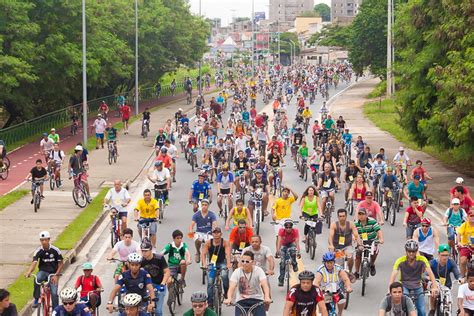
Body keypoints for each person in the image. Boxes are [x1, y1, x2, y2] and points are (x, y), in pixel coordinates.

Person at [389, 240, 439, 315]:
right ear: (406, 251)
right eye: (409, 251)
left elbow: (430, 273)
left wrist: (434, 286)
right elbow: (393, 275)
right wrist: (389, 289)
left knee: (422, 310)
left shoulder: (422, 260)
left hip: (417, 285)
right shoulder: (400, 261)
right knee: (403, 308)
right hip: (404, 285)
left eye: (413, 251)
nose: (411, 253)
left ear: (416, 251)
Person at [224, 251, 272, 315]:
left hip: (257, 300)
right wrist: (229, 298)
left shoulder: (259, 271)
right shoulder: (237, 272)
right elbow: (232, 287)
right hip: (241, 301)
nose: (244, 263)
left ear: (253, 262)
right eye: (242, 261)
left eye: (247, 262)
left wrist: (267, 297)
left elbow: (264, 285)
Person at [25, 231, 63, 308]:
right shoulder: (38, 251)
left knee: (54, 293)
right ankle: (36, 298)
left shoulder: (55, 250)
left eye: (45, 240)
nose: (44, 242)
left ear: (49, 240)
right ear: (40, 241)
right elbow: (34, 262)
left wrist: (56, 275)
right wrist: (29, 272)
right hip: (43, 271)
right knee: (37, 279)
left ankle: (55, 311)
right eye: (42, 240)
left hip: (53, 273)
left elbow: (61, 263)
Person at [201, 227, 231, 309]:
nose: (216, 234)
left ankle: (226, 293)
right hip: (212, 264)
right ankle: (210, 303)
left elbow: (228, 254)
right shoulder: (208, 243)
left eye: (218, 233)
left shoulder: (225, 242)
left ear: (221, 234)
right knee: (210, 283)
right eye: (214, 232)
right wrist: (204, 264)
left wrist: (228, 263)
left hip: (222, 263)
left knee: (224, 275)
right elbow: (203, 254)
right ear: (212, 234)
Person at [314, 252, 353, 316]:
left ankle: (340, 313)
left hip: (336, 289)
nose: (330, 265)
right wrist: (317, 292)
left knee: (342, 299)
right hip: (325, 291)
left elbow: (346, 279)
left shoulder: (338, 268)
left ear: (334, 262)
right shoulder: (321, 270)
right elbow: (316, 282)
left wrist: (348, 287)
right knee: (324, 309)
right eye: (328, 263)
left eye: (331, 262)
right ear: (324, 263)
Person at [428, 244, 462, 315]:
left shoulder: (451, 262)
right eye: (442, 255)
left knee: (448, 297)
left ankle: (448, 310)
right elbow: (425, 274)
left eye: (446, 255)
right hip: (435, 284)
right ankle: (432, 309)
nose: (445, 257)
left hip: (447, 285)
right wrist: (429, 278)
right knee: (433, 294)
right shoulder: (432, 263)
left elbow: (457, 274)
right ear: (438, 254)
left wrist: (460, 279)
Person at [140, 239, 170, 316]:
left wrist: (163, 283)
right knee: (144, 310)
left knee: (158, 311)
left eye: (146, 251)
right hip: (147, 287)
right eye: (142, 251)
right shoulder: (141, 261)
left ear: (151, 250)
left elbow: (167, 271)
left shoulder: (159, 258)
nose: (144, 253)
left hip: (159, 285)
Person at [354, 208, 384, 279]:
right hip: (361, 241)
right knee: (358, 254)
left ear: (366, 215)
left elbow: (378, 231)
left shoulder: (372, 221)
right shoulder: (355, 223)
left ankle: (372, 264)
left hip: (372, 240)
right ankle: (357, 272)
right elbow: (353, 233)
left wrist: (381, 239)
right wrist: (354, 238)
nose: (361, 216)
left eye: (363, 214)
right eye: (359, 214)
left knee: (375, 251)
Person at [328, 208, 361, 274]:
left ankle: (350, 272)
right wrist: (331, 245)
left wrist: (359, 244)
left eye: (343, 216)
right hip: (336, 247)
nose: (342, 218)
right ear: (338, 217)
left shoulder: (351, 224)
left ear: (346, 216)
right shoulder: (334, 225)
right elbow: (330, 236)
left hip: (347, 246)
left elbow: (356, 235)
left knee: (350, 256)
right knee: (339, 265)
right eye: (340, 216)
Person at [189, 199, 217, 263]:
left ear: (208, 206)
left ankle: (212, 261)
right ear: (201, 206)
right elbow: (192, 224)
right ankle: (198, 252)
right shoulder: (196, 214)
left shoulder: (211, 214)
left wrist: (216, 230)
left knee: (212, 246)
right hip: (199, 232)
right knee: (198, 239)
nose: (204, 206)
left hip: (209, 233)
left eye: (205, 205)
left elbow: (215, 224)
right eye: (203, 205)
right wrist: (191, 231)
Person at [276, 219, 301, 286]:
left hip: (292, 243)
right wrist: (277, 250)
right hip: (284, 244)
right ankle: (281, 279)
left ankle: (294, 264)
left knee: (293, 252)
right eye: (286, 227)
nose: (288, 229)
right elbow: (279, 241)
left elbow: (297, 242)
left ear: (292, 227)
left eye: (290, 227)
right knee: (282, 262)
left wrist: (298, 252)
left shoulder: (295, 231)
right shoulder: (281, 231)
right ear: (284, 227)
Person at [457, 209, 474, 277]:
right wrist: (459, 242)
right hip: (466, 246)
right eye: (471, 216)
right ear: (468, 217)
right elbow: (459, 234)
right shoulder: (464, 225)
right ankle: (463, 276)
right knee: (463, 261)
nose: (473, 217)